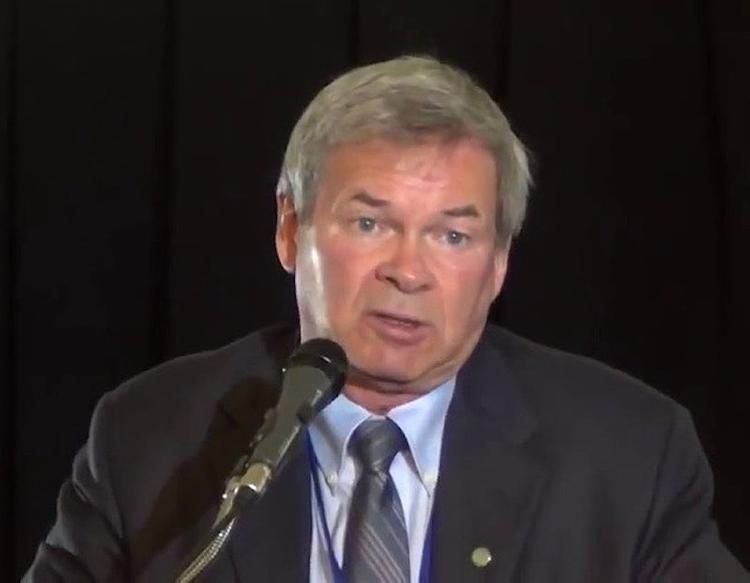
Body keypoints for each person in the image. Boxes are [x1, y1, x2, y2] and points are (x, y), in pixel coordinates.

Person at [24, 56, 748, 582]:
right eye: (370, 223)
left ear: (498, 263)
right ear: (290, 229)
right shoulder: (150, 438)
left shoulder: (627, 456)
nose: (408, 270)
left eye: (453, 235)